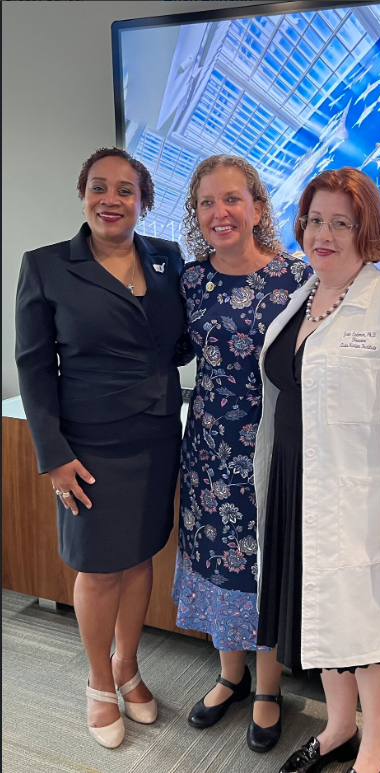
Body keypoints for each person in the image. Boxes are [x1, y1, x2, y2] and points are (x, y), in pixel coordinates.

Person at [253, 167, 380, 773]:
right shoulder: (298, 301)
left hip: (361, 501)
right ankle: (337, 729)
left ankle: (376, 751)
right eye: (315, 220)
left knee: (373, 630)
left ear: (369, 231)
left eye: (342, 222)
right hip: (297, 489)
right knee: (324, 617)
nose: (324, 234)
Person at [15, 147, 192, 749]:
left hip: (156, 434)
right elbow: (35, 368)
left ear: (142, 201)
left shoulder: (167, 259)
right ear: (83, 193)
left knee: (139, 556)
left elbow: (182, 343)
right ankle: (97, 683)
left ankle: (128, 666)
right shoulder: (46, 266)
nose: (111, 199)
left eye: (125, 189)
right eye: (99, 187)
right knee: (98, 567)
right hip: (88, 446)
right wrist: (53, 454)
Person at [172, 154, 313, 752]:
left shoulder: (297, 277)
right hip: (206, 447)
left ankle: (267, 688)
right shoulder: (191, 281)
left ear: (256, 206)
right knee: (212, 559)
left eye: (232, 199)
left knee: (263, 564)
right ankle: (231, 676)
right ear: (195, 214)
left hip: (269, 449)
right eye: (207, 202)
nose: (219, 213)